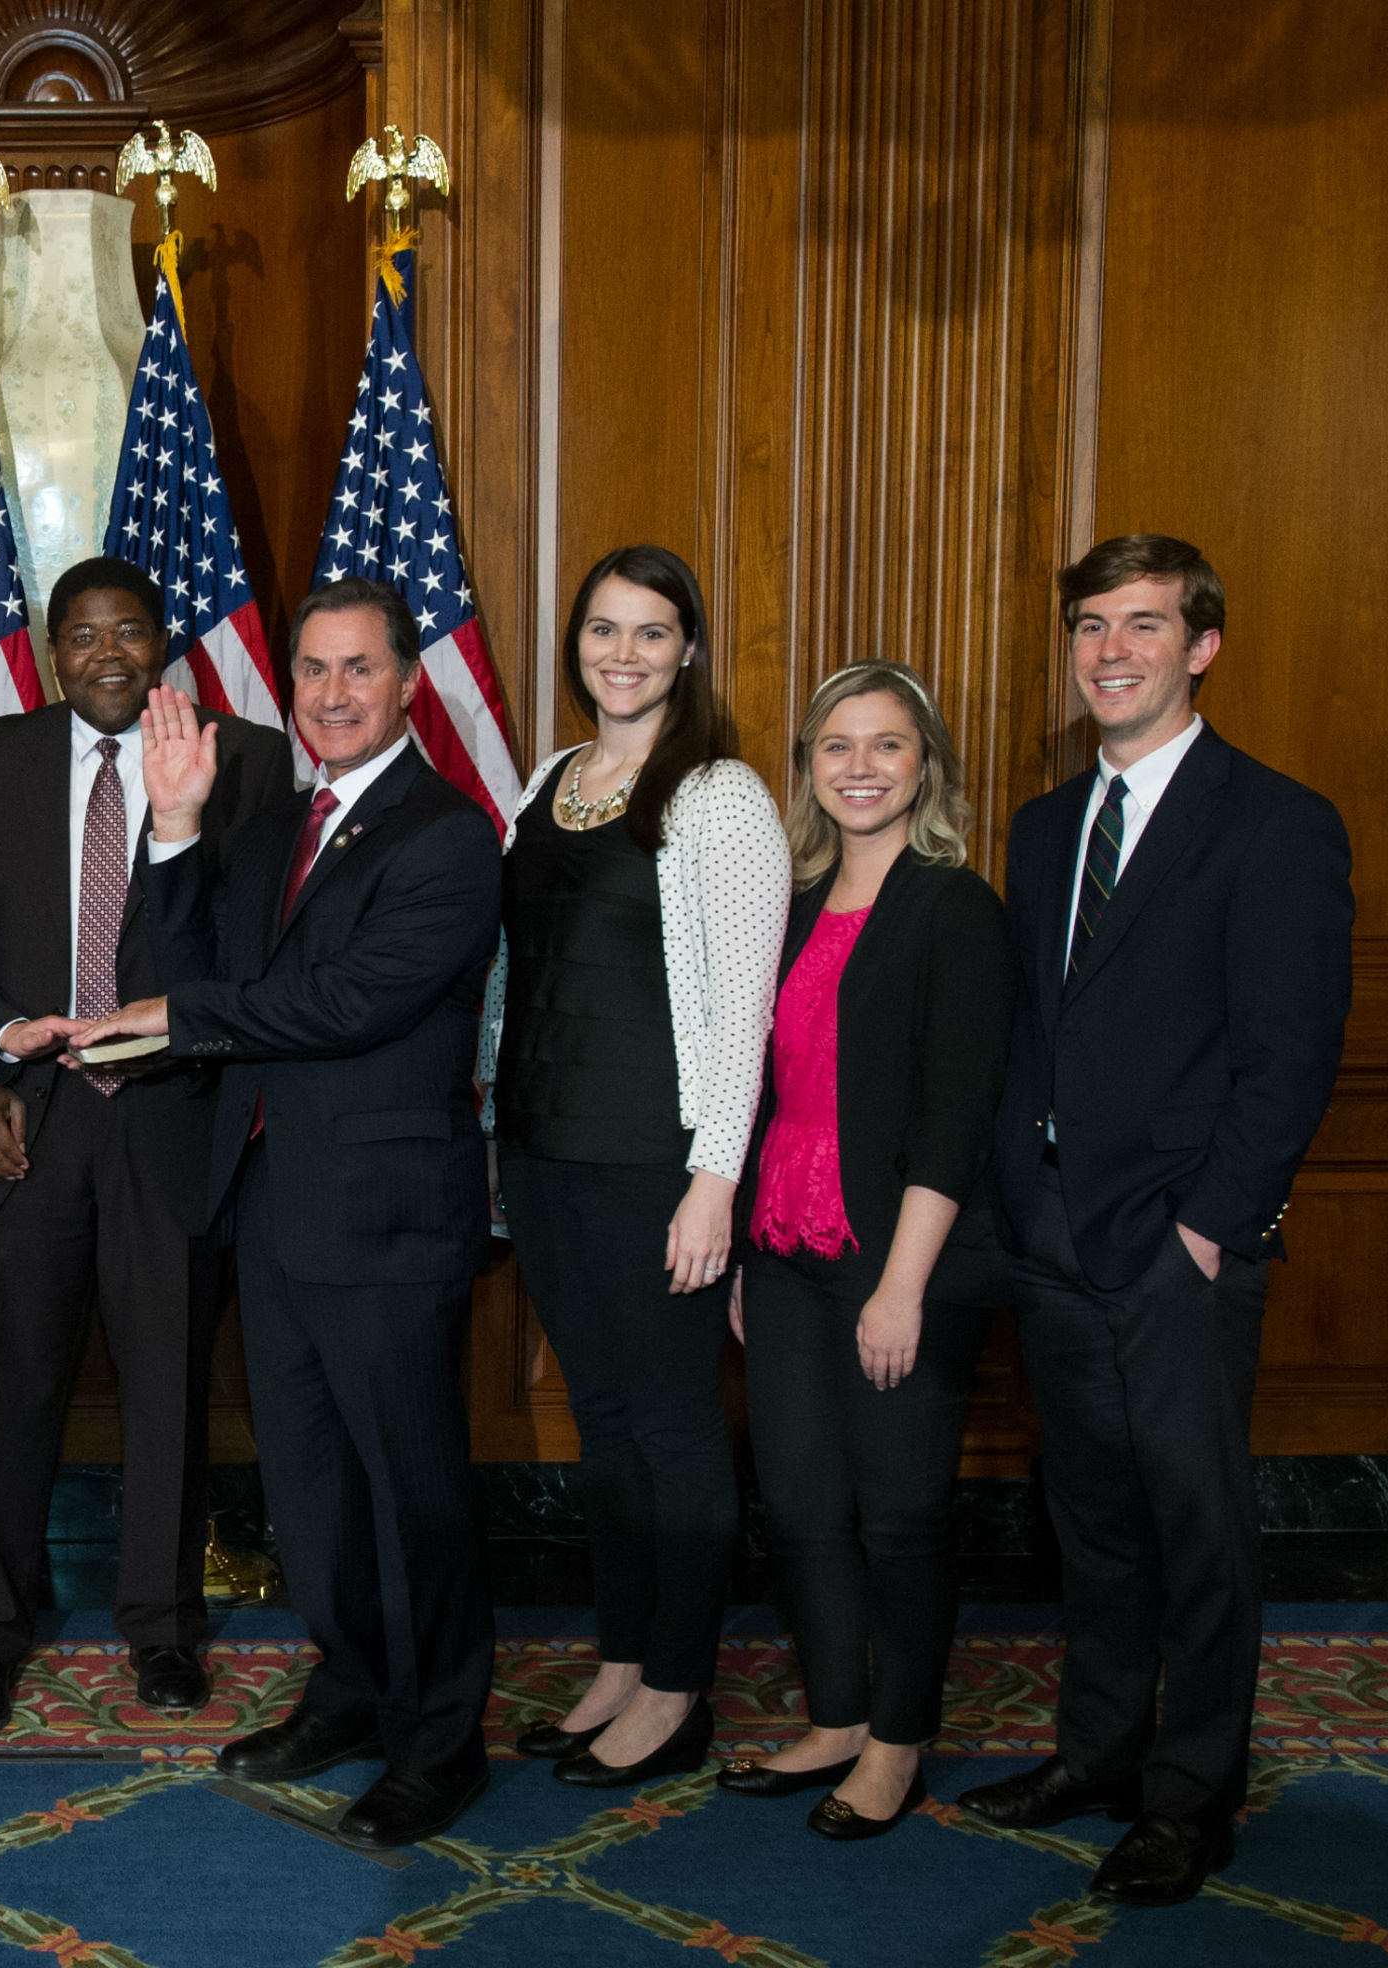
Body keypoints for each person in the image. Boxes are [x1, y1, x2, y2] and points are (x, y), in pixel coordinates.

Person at [63, 577, 501, 1851]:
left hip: (386, 1226)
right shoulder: (285, 819)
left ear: (409, 680)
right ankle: (356, 1689)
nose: (332, 694)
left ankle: (439, 1741)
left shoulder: (448, 835)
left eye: (359, 669)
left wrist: (180, 1019)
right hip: (270, 1212)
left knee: (407, 1492)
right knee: (312, 1494)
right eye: (311, 671)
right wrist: (182, 824)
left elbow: (345, 1003)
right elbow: (196, 958)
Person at [959, 535, 1351, 1905]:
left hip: (1183, 1244)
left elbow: (1288, 1054)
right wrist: (1021, 1189)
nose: (1109, 650)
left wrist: (1211, 1228)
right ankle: (1097, 1755)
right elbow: (1029, 1033)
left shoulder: (1276, 823)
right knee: (1097, 1523)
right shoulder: (1045, 825)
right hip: (1056, 1233)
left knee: (1198, 1529)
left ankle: (1192, 1798)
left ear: (1201, 646)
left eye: (1141, 624)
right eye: (1089, 626)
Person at [0, 557, 291, 1733]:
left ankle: (165, 1628)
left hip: (168, 1117)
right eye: (83, 636)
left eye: (131, 631)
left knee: (169, 1391)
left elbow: (258, 953)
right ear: (49, 650)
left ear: (165, 639)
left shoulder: (246, 760)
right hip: (24, 1121)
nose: (110, 654)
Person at [485, 544, 786, 1788]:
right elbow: (515, 976)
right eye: (602, 630)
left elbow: (744, 1008)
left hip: (656, 1168)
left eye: (650, 633)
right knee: (601, 1425)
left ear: (688, 650)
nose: (622, 653)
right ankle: (620, 1658)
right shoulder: (552, 780)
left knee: (670, 1431)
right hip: (546, 1159)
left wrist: (716, 1177)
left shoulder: (716, 794)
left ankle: (676, 1687)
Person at [712, 662, 1009, 1838]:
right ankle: (835, 1714)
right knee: (797, 1501)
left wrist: (902, 1288)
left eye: (887, 747)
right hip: (782, 1247)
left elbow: (957, 1113)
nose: (862, 770)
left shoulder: (956, 907)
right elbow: (760, 1083)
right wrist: (741, 1253)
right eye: (838, 748)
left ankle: (896, 1743)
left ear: (924, 764)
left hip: (898, 1256)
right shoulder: (789, 903)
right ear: (809, 770)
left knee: (899, 1511)